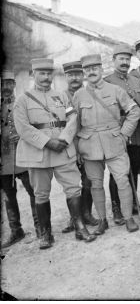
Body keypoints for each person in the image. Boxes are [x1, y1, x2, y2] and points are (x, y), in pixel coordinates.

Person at [13, 58, 96, 249]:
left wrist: (65, 139)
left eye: (49, 73)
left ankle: (79, 226)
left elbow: (72, 117)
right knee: (41, 194)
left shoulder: (61, 96)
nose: (46, 77)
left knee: (73, 188)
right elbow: (22, 128)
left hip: (62, 150)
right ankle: (45, 233)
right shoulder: (23, 99)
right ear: (33, 75)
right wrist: (47, 142)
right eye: (41, 73)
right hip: (38, 153)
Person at [73, 54, 140, 234]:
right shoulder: (79, 95)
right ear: (84, 73)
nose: (91, 72)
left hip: (114, 142)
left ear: (101, 70)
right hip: (89, 146)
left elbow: (134, 111)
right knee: (96, 184)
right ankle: (103, 220)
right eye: (88, 70)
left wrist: (125, 133)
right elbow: (74, 124)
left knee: (122, 181)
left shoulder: (115, 90)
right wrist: (77, 147)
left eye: (95, 69)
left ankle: (128, 218)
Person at [104, 44, 140, 219]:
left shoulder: (137, 80)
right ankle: (117, 209)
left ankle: (133, 204)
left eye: (127, 59)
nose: (124, 62)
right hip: (120, 133)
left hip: (138, 134)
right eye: (121, 59)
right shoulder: (107, 82)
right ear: (113, 60)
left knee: (136, 168)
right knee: (119, 173)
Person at [1, 70, 39, 248]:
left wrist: (23, 136)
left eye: (9, 83)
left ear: (14, 84)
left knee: (33, 191)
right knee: (8, 196)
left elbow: (35, 126)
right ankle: (16, 230)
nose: (6, 87)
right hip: (4, 160)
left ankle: (40, 226)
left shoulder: (23, 102)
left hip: (22, 156)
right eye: (2, 83)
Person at [60, 60, 99, 234]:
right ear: (65, 77)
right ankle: (74, 218)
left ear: (82, 75)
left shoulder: (90, 93)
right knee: (71, 183)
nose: (74, 78)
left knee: (88, 180)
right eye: (70, 75)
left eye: (77, 74)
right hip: (68, 146)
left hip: (89, 142)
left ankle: (87, 213)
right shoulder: (60, 97)